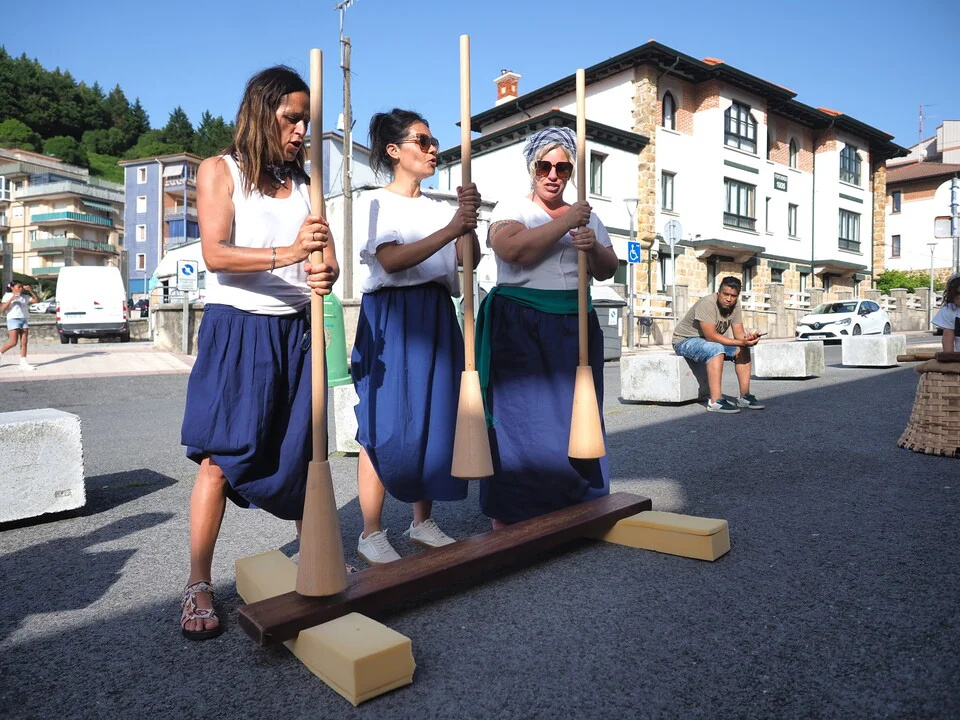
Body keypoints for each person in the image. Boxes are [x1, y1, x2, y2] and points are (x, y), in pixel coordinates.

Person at [178, 66, 339, 641]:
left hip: (297, 329)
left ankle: (319, 566)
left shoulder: (308, 183)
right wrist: (288, 253)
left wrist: (324, 270)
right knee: (220, 456)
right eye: (291, 118)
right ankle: (198, 581)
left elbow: (328, 260)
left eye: (306, 120)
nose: (301, 131)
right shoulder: (219, 170)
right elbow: (216, 253)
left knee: (302, 453)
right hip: (238, 327)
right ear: (260, 111)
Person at [352, 108, 481, 564]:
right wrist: (452, 228)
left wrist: (468, 220)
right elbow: (390, 260)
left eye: (433, 142)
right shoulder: (375, 203)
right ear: (394, 150)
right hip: (390, 315)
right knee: (382, 423)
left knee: (434, 419)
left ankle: (422, 522)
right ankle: (370, 531)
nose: (433, 149)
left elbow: (469, 260)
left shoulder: (441, 209)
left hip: (437, 312)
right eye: (422, 141)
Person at [475, 126, 619, 527]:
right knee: (523, 417)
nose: (553, 174)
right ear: (532, 168)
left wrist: (592, 245)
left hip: (576, 325)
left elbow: (608, 269)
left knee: (576, 413)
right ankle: (514, 512)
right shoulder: (513, 208)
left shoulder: (589, 217)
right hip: (521, 323)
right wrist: (566, 222)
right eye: (544, 166)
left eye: (562, 167)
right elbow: (511, 249)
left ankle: (575, 503)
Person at [672, 276, 764, 413]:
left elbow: (739, 333)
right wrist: (741, 341)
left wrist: (748, 339)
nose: (729, 299)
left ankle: (745, 396)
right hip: (685, 341)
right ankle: (715, 401)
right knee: (716, 348)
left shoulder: (735, 305)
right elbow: (711, 336)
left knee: (743, 348)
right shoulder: (707, 303)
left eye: (733, 296)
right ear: (719, 292)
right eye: (725, 294)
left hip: (706, 341)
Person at [0, 281, 39, 370]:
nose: (21, 289)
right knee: (13, 342)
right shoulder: (7, 295)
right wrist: (11, 299)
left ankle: (23, 363)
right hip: (13, 319)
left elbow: (36, 301)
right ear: (12, 287)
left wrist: (31, 291)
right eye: (19, 287)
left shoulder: (24, 296)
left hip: (24, 319)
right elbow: (2, 309)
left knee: (24, 342)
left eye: (22, 287)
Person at [933, 272, 960, 352]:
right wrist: (949, 357)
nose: (958, 296)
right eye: (955, 293)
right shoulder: (949, 310)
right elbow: (948, 336)